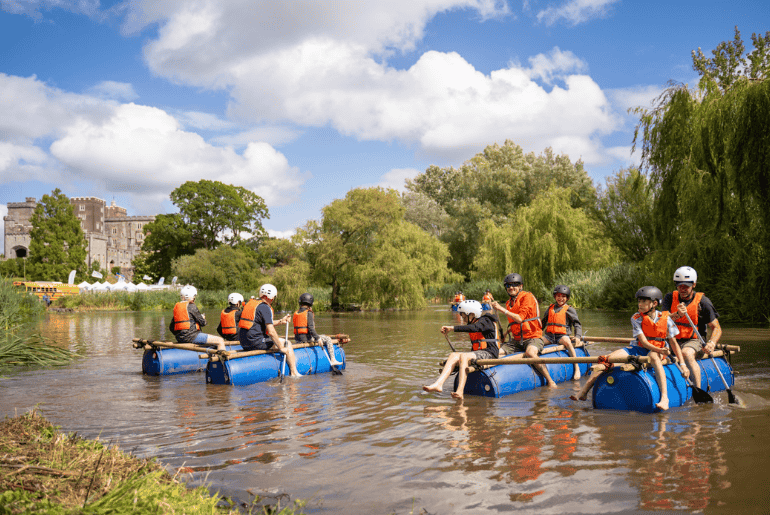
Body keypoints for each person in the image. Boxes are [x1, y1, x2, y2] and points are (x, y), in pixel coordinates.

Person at [570, 286, 689, 411]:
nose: (640, 304)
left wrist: (683, 364)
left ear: (654, 303)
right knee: (607, 359)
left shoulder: (667, 319)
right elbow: (643, 341)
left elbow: (674, 343)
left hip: (658, 351)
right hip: (640, 348)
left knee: (653, 356)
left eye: (644, 301)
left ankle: (665, 398)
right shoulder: (636, 318)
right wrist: (658, 350)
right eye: (639, 301)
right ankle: (584, 391)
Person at [423, 300, 501, 400]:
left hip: (490, 353)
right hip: (479, 353)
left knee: (464, 356)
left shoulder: (486, 321)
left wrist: (452, 328)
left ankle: (460, 391)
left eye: (464, 316)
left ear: (472, 314)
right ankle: (438, 384)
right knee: (453, 355)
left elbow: (474, 328)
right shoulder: (475, 322)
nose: (463, 319)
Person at [490, 273, 557, 388]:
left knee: (530, 353)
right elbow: (514, 323)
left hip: (533, 337)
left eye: (514, 285)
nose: (511, 287)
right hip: (517, 340)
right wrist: (506, 333)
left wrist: (500, 309)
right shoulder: (508, 303)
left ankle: (550, 381)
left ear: (520, 286)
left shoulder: (528, 297)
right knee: (496, 352)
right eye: (508, 285)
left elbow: (520, 318)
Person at [661, 266, 722, 389]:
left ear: (693, 285)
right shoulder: (669, 298)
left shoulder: (703, 302)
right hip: (672, 340)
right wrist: (677, 315)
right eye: (679, 286)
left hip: (694, 341)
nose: (682, 289)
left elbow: (716, 328)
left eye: (686, 286)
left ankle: (698, 390)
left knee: (686, 353)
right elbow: (662, 322)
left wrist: (712, 343)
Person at [238, 283, 301, 377]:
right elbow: (271, 332)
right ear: (271, 297)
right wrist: (281, 347)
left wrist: (281, 321)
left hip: (244, 343)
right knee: (287, 343)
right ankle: (294, 372)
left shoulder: (251, 304)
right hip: (256, 342)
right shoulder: (265, 307)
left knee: (277, 341)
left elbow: (261, 323)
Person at [541, 285, 583, 380]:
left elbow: (577, 324)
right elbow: (542, 323)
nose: (560, 298)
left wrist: (577, 336)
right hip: (549, 336)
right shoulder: (550, 308)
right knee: (538, 342)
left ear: (567, 298)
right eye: (558, 296)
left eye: (563, 296)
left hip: (562, 336)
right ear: (555, 297)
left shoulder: (569, 309)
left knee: (568, 343)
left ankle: (576, 367)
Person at [169, 285, 227, 351]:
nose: (194, 298)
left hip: (179, 338)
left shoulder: (177, 308)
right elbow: (203, 323)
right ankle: (222, 359)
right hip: (192, 337)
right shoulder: (192, 306)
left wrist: (181, 335)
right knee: (220, 340)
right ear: (191, 297)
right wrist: (203, 318)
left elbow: (171, 327)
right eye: (194, 296)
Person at [293, 293, 342, 366]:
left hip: (297, 339)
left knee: (323, 336)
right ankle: (333, 359)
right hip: (307, 339)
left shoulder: (296, 313)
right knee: (328, 338)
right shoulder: (308, 313)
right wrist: (318, 338)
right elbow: (311, 328)